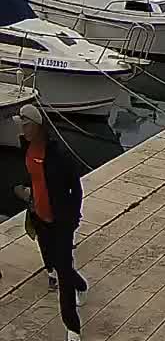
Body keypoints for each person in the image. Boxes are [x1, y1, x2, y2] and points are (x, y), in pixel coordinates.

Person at [16, 105, 86, 340]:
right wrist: (24, 192)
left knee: (63, 271)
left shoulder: (59, 154)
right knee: (56, 263)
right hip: (39, 218)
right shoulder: (25, 148)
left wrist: (74, 217)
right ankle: (80, 283)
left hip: (61, 221)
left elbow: (75, 188)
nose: (22, 129)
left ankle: (72, 327)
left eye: (26, 124)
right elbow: (28, 177)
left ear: (37, 126)